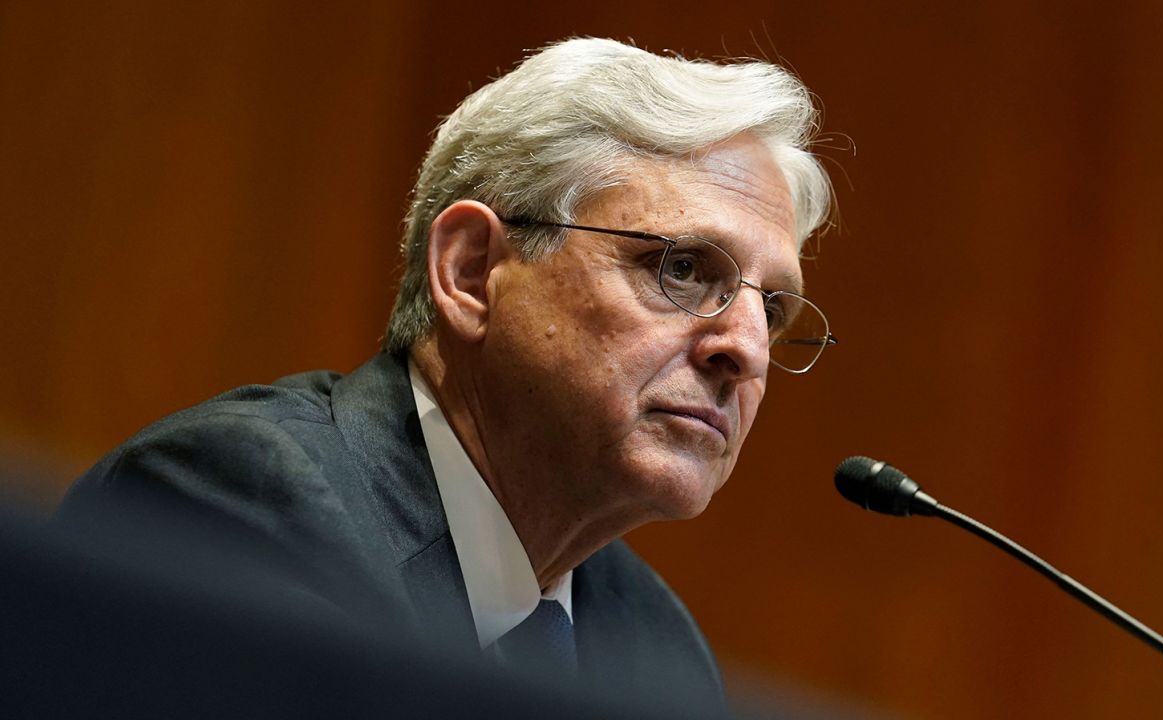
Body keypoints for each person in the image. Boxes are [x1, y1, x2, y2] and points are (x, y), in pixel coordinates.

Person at [58, 37, 836, 705]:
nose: (746, 349)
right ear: (470, 272)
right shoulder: (246, 508)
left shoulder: (656, 652)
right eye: (681, 267)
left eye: (771, 310)